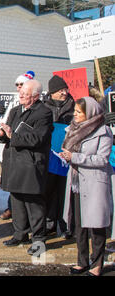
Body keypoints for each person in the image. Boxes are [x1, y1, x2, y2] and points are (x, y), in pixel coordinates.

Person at [0, 80, 53, 256]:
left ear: (35, 96)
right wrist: (2, 135)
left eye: (25, 94)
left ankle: (39, 240)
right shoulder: (16, 110)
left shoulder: (44, 112)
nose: (21, 96)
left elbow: (38, 138)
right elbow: (9, 135)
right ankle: (20, 233)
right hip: (13, 162)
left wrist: (12, 135)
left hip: (31, 164)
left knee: (34, 204)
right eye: (21, 93)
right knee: (16, 200)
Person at [60, 97, 114, 276]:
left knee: (96, 226)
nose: (74, 115)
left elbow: (102, 159)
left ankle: (97, 263)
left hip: (94, 184)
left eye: (79, 112)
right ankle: (82, 261)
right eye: (74, 111)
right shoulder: (72, 129)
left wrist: (75, 158)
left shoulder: (103, 131)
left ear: (89, 113)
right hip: (76, 183)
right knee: (79, 225)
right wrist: (65, 156)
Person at [0, 71, 35, 221]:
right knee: (14, 186)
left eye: (21, 84)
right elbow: (2, 126)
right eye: (17, 85)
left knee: (26, 189)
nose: (18, 88)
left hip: (28, 153)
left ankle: (27, 220)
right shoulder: (13, 105)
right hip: (11, 150)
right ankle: (15, 213)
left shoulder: (37, 107)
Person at [42, 75, 74, 238]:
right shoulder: (44, 106)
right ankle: (49, 223)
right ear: (52, 92)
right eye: (60, 90)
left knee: (65, 192)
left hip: (68, 154)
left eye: (65, 89)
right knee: (48, 190)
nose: (64, 93)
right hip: (49, 155)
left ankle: (66, 224)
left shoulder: (74, 106)